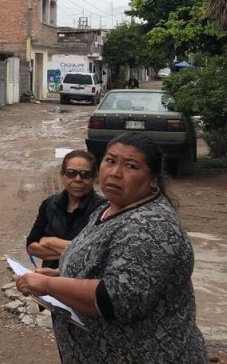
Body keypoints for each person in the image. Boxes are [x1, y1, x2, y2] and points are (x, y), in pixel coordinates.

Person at [15, 133, 206, 363]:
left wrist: (49, 284)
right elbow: (102, 263)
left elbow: (117, 299)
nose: (115, 173)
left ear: (153, 178)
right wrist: (61, 274)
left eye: (131, 166)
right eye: (110, 160)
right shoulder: (108, 209)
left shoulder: (151, 226)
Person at [25, 150, 106, 269]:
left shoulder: (103, 209)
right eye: (71, 173)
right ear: (62, 175)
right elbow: (31, 247)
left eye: (85, 174)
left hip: (81, 284)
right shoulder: (49, 205)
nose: (78, 179)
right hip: (48, 281)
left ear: (94, 178)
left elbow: (97, 254)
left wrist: (50, 242)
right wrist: (77, 252)